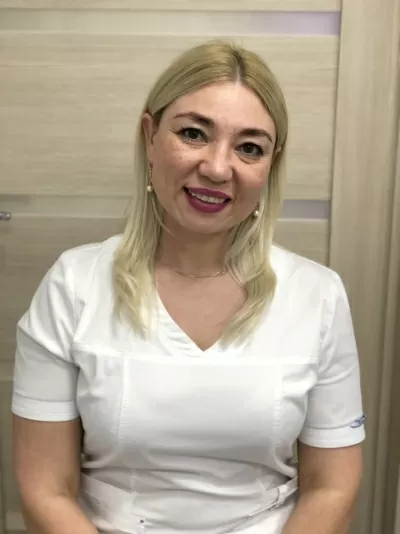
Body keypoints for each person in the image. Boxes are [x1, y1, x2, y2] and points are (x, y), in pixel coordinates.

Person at [12, 40, 365, 534]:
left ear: (270, 165)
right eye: (194, 133)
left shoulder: (318, 295)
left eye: (249, 147)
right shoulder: (74, 285)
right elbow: (45, 490)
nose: (218, 168)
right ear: (150, 137)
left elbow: (332, 488)